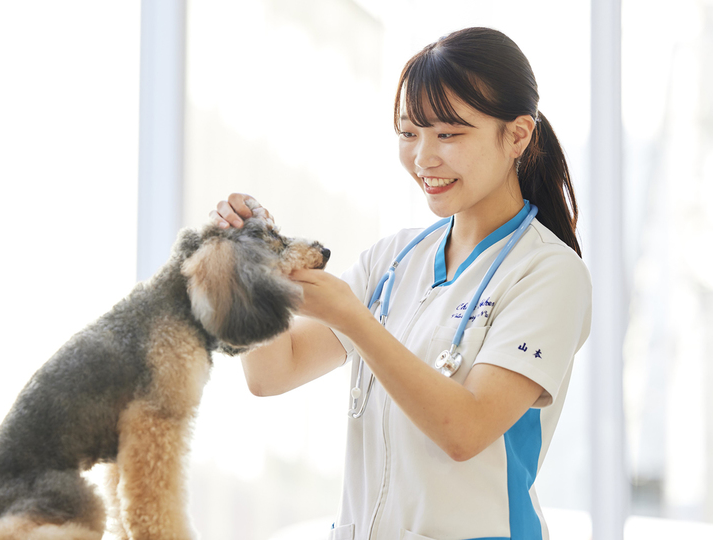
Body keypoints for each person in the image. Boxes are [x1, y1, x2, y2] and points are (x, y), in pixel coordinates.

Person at [212, 27, 591, 540]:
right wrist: (250, 261)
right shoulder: (392, 260)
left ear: (518, 135)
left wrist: (355, 321)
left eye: (449, 134)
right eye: (409, 133)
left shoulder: (548, 273)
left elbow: (465, 431)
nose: (423, 157)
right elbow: (273, 373)